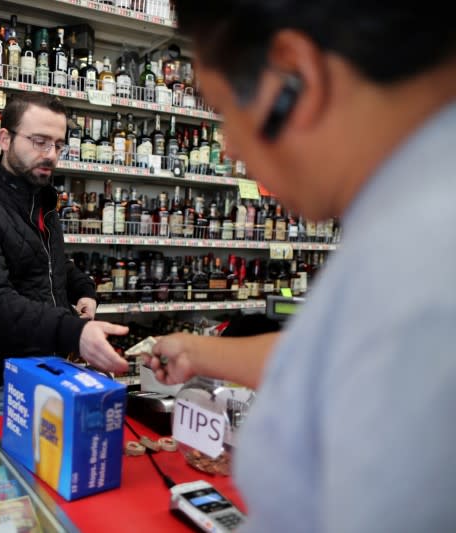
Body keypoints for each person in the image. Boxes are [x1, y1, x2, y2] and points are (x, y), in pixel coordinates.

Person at [145, 3, 456, 532]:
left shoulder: (418, 276)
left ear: (293, 77)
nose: (230, 147)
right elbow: (336, 352)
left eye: (221, 110)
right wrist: (200, 352)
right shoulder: (411, 216)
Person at [0, 92, 129, 419]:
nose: (51, 155)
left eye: (58, 145)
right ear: (4, 138)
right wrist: (74, 331)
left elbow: (49, 261)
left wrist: (83, 289)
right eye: (39, 141)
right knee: (1, 470)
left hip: (49, 370)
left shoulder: (41, 199)